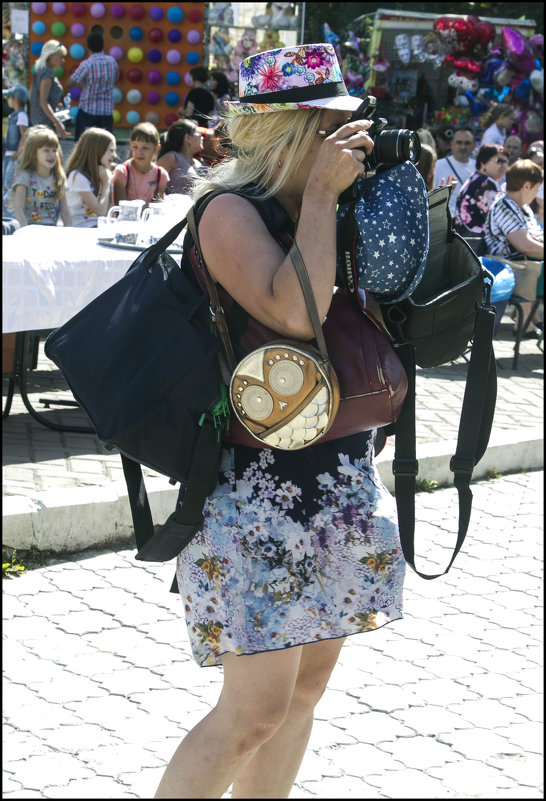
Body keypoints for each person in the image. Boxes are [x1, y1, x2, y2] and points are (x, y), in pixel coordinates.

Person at [153, 43, 406, 800]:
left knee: (302, 698)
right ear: (293, 133)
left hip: (336, 475)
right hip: (254, 493)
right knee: (253, 711)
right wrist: (324, 200)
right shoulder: (227, 211)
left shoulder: (330, 205)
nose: (350, 140)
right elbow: (296, 313)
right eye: (333, 126)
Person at [485, 159, 544, 337]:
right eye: (537, 188)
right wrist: (534, 242)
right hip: (506, 270)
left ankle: (528, 324)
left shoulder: (524, 208)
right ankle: (526, 325)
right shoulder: (504, 206)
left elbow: (537, 239)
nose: (537, 193)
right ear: (527, 186)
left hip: (527, 268)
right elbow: (526, 245)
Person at [8, 124, 71, 227]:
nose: (52, 155)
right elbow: (18, 211)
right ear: (33, 153)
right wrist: (26, 233)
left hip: (51, 229)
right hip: (29, 227)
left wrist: (70, 233)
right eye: (46, 150)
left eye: (54, 150)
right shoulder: (25, 175)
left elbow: (65, 212)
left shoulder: (59, 176)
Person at [64, 32, 119, 141]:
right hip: (107, 111)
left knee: (83, 144)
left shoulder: (86, 64)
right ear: (103, 46)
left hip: (88, 110)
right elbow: (115, 79)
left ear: (88, 47)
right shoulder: (112, 62)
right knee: (105, 145)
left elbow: (69, 83)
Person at [454, 144, 508, 240]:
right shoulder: (484, 183)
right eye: (499, 161)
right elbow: (499, 219)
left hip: (468, 241)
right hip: (477, 245)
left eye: (506, 162)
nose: (503, 165)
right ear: (483, 162)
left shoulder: (477, 178)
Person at [65, 127, 116, 227]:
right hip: (81, 227)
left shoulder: (104, 174)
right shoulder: (77, 176)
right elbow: (101, 212)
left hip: (98, 226)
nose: (114, 155)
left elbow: (108, 211)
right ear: (97, 150)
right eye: (111, 150)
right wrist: (106, 184)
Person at [112, 122, 168, 206]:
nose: (139, 152)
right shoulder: (122, 172)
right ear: (130, 145)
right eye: (135, 147)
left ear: (157, 148)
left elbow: (158, 208)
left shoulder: (161, 175)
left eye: (145, 148)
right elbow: (119, 209)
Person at [29, 40, 68, 139]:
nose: (63, 60)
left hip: (37, 120)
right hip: (45, 123)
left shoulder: (40, 70)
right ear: (51, 55)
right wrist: (57, 123)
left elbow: (33, 94)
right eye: (61, 57)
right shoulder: (47, 74)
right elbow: (43, 102)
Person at [433, 126, 476, 214]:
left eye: (467, 143)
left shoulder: (479, 167)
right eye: (459, 143)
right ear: (452, 144)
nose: (463, 147)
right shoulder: (438, 165)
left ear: (474, 145)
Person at [156, 120, 206, 195]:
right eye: (199, 133)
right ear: (188, 137)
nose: (202, 137)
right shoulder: (171, 157)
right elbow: (153, 184)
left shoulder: (199, 162)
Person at [2, 85, 30, 199]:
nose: (7, 100)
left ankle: (8, 212)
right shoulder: (14, 115)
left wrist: (19, 152)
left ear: (16, 100)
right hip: (9, 154)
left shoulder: (21, 115)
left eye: (9, 97)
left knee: (9, 185)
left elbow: (24, 134)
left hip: (14, 156)